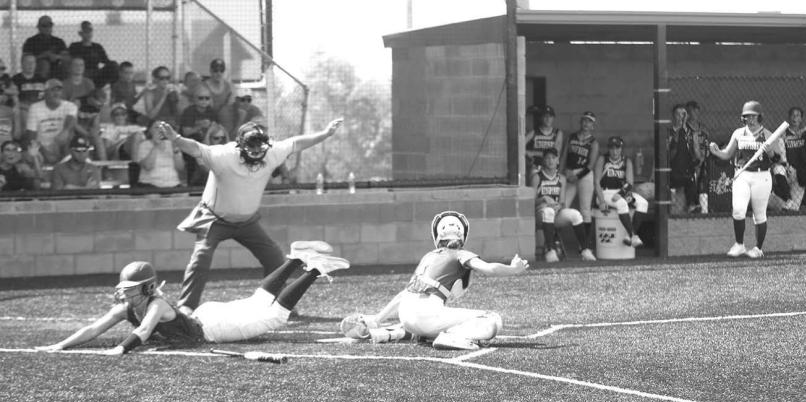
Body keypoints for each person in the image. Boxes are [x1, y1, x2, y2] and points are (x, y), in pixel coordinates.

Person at [155, 117, 344, 314]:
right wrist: (175, 138)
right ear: (240, 145)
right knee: (200, 257)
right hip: (214, 219)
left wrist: (325, 133)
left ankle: (276, 302)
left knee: (274, 257)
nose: (256, 152)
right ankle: (186, 305)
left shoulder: (273, 153)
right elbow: (195, 148)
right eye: (251, 147)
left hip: (247, 221)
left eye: (259, 148)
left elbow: (297, 143)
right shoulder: (224, 155)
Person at [34, 250, 350, 354]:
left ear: (146, 288)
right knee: (260, 303)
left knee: (273, 314)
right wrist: (59, 346)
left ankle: (309, 268)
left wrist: (120, 349)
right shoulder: (128, 306)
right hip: (207, 317)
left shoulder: (155, 303)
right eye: (125, 288)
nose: (125, 293)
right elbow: (93, 328)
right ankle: (295, 260)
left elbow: (143, 332)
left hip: (213, 325)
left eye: (131, 289)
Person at [339, 211, 529, 350]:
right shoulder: (460, 253)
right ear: (462, 236)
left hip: (406, 316)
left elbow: (404, 294)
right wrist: (514, 269)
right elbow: (489, 269)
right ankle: (451, 338)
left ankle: (386, 333)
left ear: (438, 236)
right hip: (427, 315)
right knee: (493, 319)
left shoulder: (429, 257)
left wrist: (377, 318)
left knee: (427, 321)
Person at [709, 100, 785, 258]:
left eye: (753, 116)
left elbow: (778, 159)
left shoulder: (768, 134)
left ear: (759, 117)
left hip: (761, 176)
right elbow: (727, 154)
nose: (750, 120)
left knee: (759, 214)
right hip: (742, 174)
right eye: (747, 117)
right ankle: (739, 244)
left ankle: (758, 248)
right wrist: (717, 152)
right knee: (738, 209)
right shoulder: (738, 133)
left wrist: (769, 151)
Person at [532, 148, 596, 262]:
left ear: (557, 161)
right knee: (548, 211)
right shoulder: (537, 177)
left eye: (553, 158)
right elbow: (530, 202)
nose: (550, 161)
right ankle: (550, 251)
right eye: (547, 158)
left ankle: (585, 250)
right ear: (544, 161)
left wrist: (559, 206)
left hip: (556, 213)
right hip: (540, 214)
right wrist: (543, 199)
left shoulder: (561, 178)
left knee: (576, 214)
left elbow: (562, 202)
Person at [594, 136, 648, 248]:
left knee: (643, 203)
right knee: (622, 204)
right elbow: (596, 182)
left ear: (621, 148)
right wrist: (602, 201)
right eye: (612, 148)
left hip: (621, 193)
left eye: (617, 148)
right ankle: (633, 235)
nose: (614, 151)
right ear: (608, 149)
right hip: (605, 192)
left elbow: (630, 183)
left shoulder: (626, 161)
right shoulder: (602, 159)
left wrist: (621, 194)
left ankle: (629, 237)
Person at [562, 111, 600, 239]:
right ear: (580, 122)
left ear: (593, 125)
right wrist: (562, 173)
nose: (586, 123)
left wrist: (577, 177)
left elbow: (591, 165)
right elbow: (564, 157)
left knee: (585, 210)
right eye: (584, 120)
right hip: (569, 172)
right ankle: (557, 241)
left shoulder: (593, 142)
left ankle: (584, 244)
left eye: (589, 121)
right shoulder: (571, 137)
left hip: (584, 175)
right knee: (563, 206)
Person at [24, 78, 77, 166]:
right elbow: (31, 137)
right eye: (52, 90)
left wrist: (65, 131)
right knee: (32, 153)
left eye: (59, 90)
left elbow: (71, 120)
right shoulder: (35, 108)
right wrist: (43, 151)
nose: (56, 93)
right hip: (42, 146)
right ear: (45, 92)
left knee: (70, 137)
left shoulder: (70, 106)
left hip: (63, 145)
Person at [668, 103, 702, 213]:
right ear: (673, 116)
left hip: (687, 170)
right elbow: (668, 152)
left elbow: (697, 152)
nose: (681, 117)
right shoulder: (668, 132)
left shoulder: (691, 133)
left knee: (692, 179)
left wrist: (699, 162)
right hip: (672, 170)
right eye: (678, 114)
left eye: (683, 114)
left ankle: (693, 206)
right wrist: (679, 131)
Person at [133, 122, 184, 188]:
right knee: (153, 196)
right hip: (150, 184)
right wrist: (156, 145)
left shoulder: (172, 144)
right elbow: (148, 167)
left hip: (172, 183)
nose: (160, 130)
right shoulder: (144, 145)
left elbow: (180, 168)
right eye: (157, 127)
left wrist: (176, 150)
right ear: (150, 130)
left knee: (183, 195)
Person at [524, 105, 562, 186]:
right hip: (536, 167)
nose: (548, 119)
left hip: (551, 169)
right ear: (541, 118)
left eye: (550, 117)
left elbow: (555, 153)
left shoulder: (557, 133)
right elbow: (520, 145)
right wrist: (526, 153)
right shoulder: (534, 132)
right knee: (534, 192)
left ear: (553, 118)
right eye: (545, 116)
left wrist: (533, 153)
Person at [22, 15, 67, 80]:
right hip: (38, 68)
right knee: (44, 64)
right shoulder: (31, 41)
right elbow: (24, 59)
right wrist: (44, 55)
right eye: (44, 26)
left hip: (56, 67)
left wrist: (57, 56)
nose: (47, 28)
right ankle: (41, 84)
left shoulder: (59, 41)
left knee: (66, 64)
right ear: (38, 27)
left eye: (50, 25)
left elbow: (67, 57)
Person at [685, 100, 710, 201]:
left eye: (696, 110)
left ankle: (703, 205)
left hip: (703, 160)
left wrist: (704, 157)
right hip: (690, 161)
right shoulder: (684, 128)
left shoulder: (703, 128)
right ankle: (692, 204)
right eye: (691, 111)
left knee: (703, 183)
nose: (694, 113)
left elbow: (707, 145)